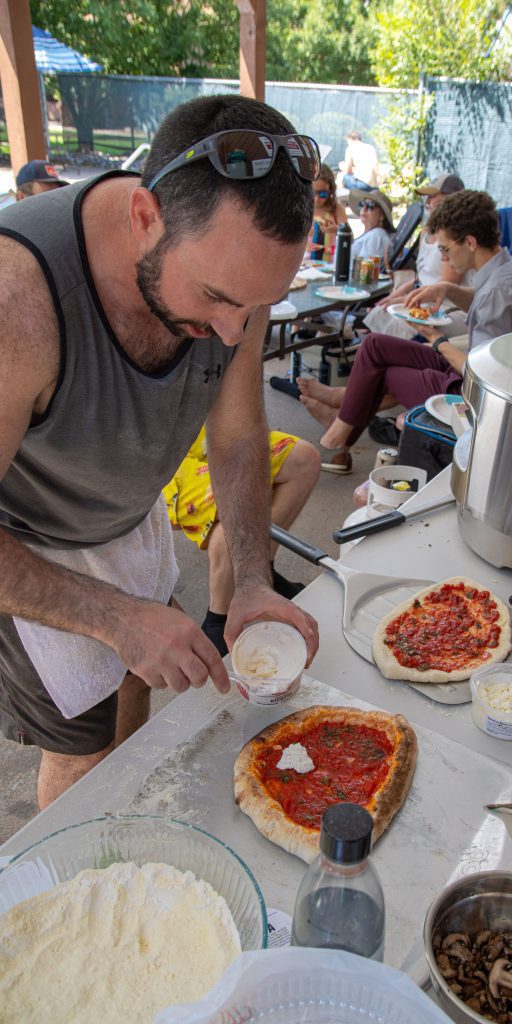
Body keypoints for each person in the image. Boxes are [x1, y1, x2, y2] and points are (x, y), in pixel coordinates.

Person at [0, 94, 320, 809]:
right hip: (29, 550)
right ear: (146, 216)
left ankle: (118, 835)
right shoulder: (16, 298)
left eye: (256, 304)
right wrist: (114, 617)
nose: (236, 334)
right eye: (214, 298)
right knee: (84, 757)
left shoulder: (236, 270)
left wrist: (249, 578)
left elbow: (236, 436)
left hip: (127, 518)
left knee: (134, 713)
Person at [299, 190, 512, 472]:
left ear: (471, 242)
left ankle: (340, 434)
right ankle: (342, 428)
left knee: (387, 373)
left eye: (446, 249)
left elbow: (482, 376)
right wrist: (449, 289)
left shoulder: (496, 293)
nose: (444, 258)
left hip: (473, 394)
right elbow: (485, 299)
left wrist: (434, 338)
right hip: (470, 364)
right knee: (375, 345)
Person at [164, 427, 320, 656]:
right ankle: (218, 620)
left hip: (190, 425)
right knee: (235, 506)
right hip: (141, 452)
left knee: (303, 458)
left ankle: (259, 572)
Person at [365, 173, 469, 340]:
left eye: (434, 196)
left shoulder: (455, 237)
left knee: (397, 321)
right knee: (381, 310)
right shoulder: (426, 232)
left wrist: (406, 300)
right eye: (427, 197)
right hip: (425, 297)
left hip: (445, 305)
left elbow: (446, 286)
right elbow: (420, 279)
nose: (428, 201)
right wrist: (394, 296)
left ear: (451, 199)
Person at [307, 163, 348, 259]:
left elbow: (349, 237)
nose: (317, 199)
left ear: (331, 191)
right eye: (313, 192)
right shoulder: (303, 207)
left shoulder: (335, 209)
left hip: (328, 264)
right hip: (304, 265)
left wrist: (337, 230)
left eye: (323, 194)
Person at [348, 189, 395, 264]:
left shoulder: (376, 235)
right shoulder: (372, 234)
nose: (364, 209)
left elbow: (365, 270)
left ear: (381, 215)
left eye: (370, 205)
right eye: (362, 204)